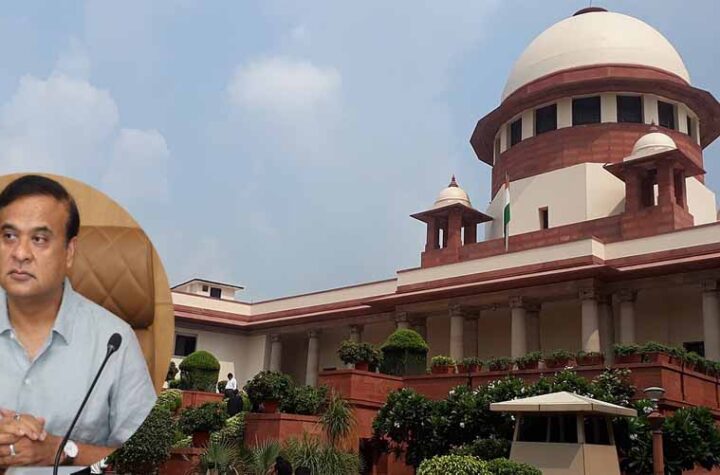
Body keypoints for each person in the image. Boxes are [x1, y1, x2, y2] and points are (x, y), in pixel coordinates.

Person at [0, 175, 156, 469]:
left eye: (39, 239)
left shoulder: (114, 341)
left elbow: (144, 458)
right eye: (9, 236)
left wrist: (61, 451)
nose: (20, 253)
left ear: (69, 252)